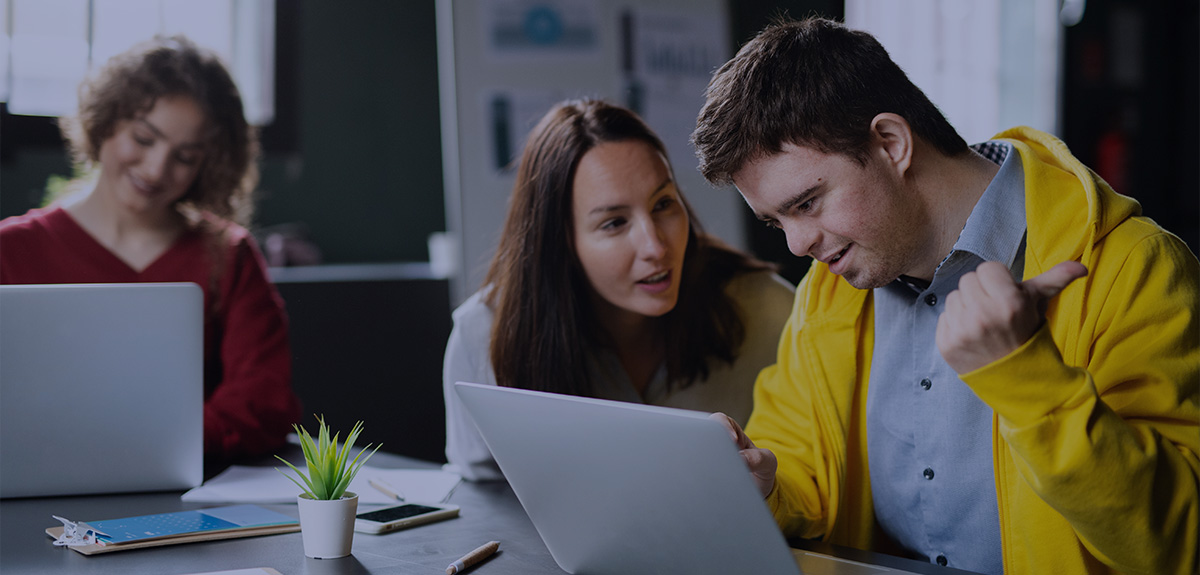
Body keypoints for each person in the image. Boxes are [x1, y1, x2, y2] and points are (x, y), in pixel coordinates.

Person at [691, 17, 1198, 575]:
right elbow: (807, 480)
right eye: (774, 222)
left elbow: (1181, 544)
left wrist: (1025, 376)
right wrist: (765, 487)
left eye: (807, 203)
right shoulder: (827, 294)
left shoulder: (1133, 266)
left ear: (891, 144)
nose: (798, 243)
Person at [443, 99, 795, 481]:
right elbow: (483, 499)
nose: (656, 247)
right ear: (560, 240)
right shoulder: (485, 336)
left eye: (663, 204)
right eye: (613, 223)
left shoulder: (767, 309)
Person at [0, 36, 302, 462]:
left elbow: (263, 400)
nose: (157, 168)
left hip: (191, 501)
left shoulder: (228, 255)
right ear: (105, 122)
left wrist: (150, 448)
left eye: (185, 156)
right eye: (143, 138)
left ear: (208, 165)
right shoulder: (10, 250)